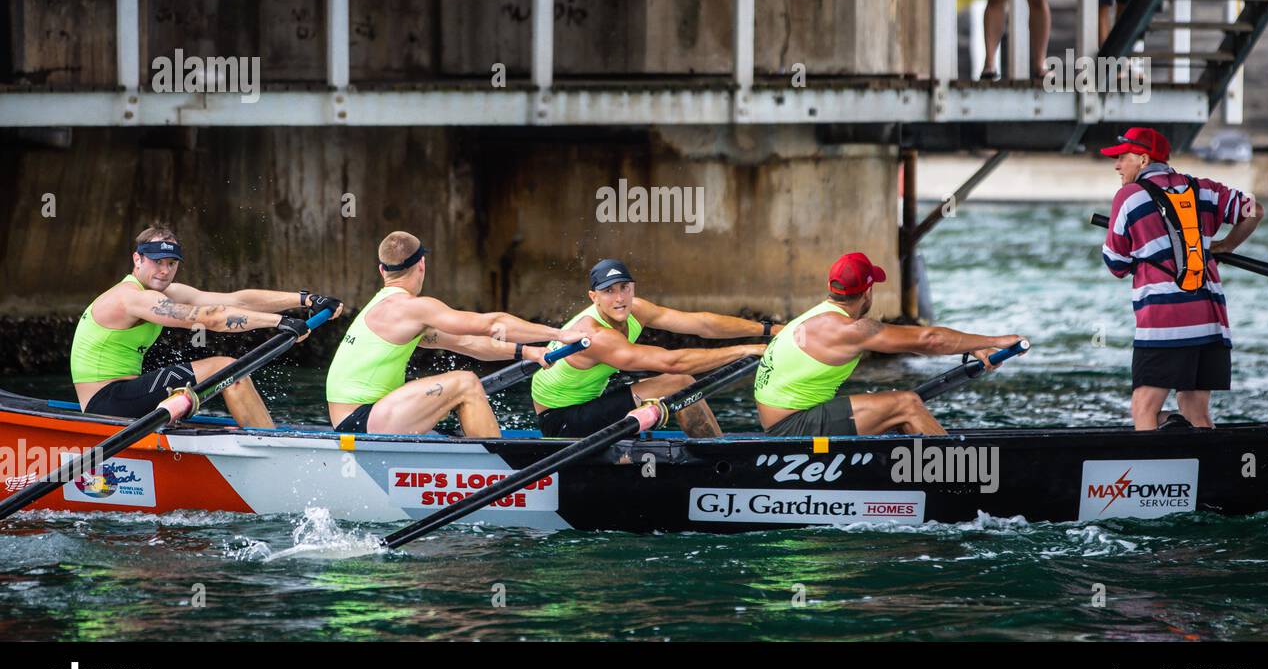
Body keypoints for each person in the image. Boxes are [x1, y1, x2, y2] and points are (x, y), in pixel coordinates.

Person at [70, 224, 341, 428]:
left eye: (171, 263)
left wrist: (305, 299)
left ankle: (263, 436)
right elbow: (210, 318)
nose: (164, 271)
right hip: (105, 403)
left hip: (123, 395)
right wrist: (279, 322)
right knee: (225, 369)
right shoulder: (131, 298)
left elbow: (237, 300)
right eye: (157, 262)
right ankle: (268, 444)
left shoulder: (165, 291)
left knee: (225, 371)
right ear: (137, 259)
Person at [326, 231, 582, 438]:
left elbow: (465, 342)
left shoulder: (383, 307)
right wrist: (560, 334)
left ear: (382, 271)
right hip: (362, 421)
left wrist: (527, 351)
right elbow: (492, 324)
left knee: (456, 394)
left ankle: (477, 447)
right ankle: (500, 468)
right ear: (422, 265)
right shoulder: (411, 308)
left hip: (358, 418)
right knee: (466, 383)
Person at [754, 253, 1024, 436]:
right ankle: (961, 481)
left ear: (831, 286)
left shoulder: (814, 316)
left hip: (780, 420)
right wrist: (996, 341)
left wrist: (968, 346)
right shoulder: (851, 329)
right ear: (868, 291)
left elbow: (920, 343)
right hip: (791, 428)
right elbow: (928, 340)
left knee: (890, 403)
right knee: (906, 403)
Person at [1100, 127, 1263, 430]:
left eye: (1123, 158)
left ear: (1144, 159)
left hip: (1165, 323)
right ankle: (1210, 472)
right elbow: (1255, 210)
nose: (1117, 165)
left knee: (1144, 407)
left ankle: (1148, 475)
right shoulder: (1203, 188)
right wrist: (1226, 244)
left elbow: (1116, 264)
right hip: (1211, 321)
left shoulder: (1128, 196)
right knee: (1196, 410)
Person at [531, 259, 776, 438]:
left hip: (589, 403)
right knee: (678, 382)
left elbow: (703, 324)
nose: (619, 298)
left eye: (624, 288)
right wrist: (744, 350)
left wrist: (769, 330)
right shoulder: (594, 334)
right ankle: (716, 458)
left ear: (633, 288)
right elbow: (673, 363)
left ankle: (714, 448)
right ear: (593, 297)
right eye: (608, 291)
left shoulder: (636, 309)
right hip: (560, 421)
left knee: (676, 381)